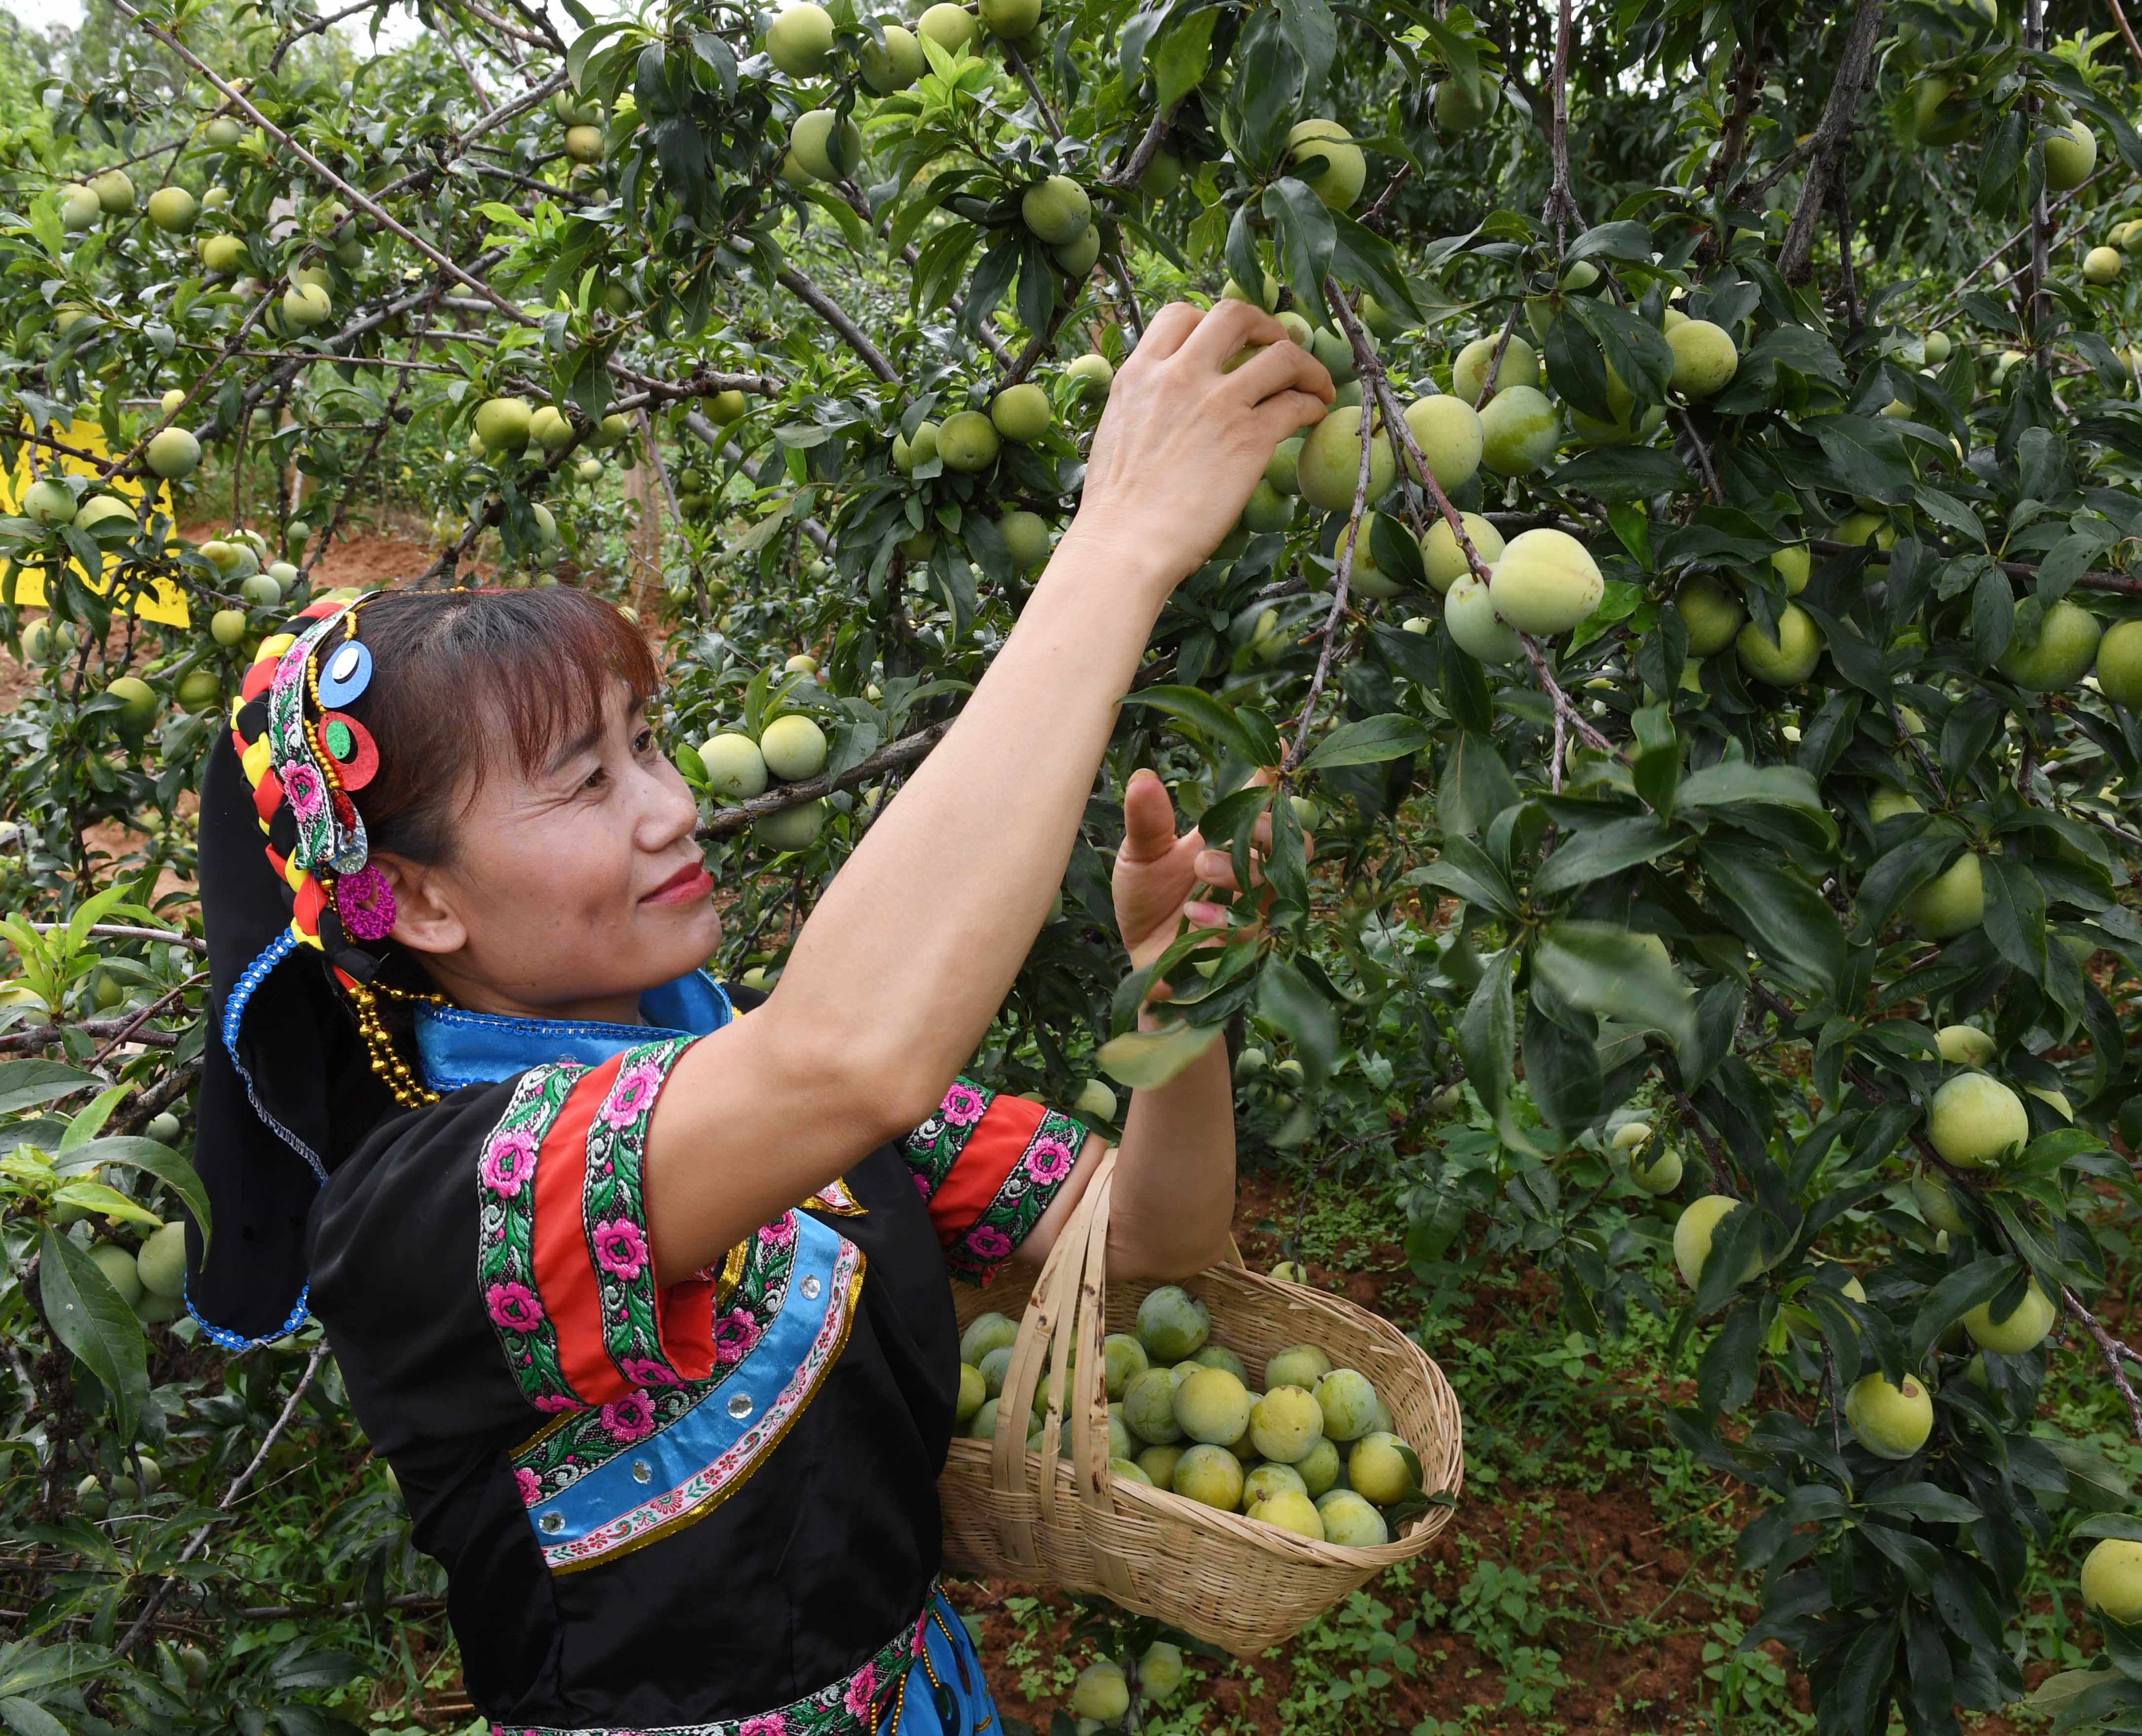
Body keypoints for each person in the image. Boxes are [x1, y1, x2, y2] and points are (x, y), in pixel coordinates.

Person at [184, 300, 1334, 1735]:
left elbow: (1150, 1248)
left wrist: (1181, 1001)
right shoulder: (430, 1201)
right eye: (585, 781)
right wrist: (1117, 548)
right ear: (419, 901)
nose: (672, 808)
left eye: (648, 744)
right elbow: (851, 1051)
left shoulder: (748, 1086)